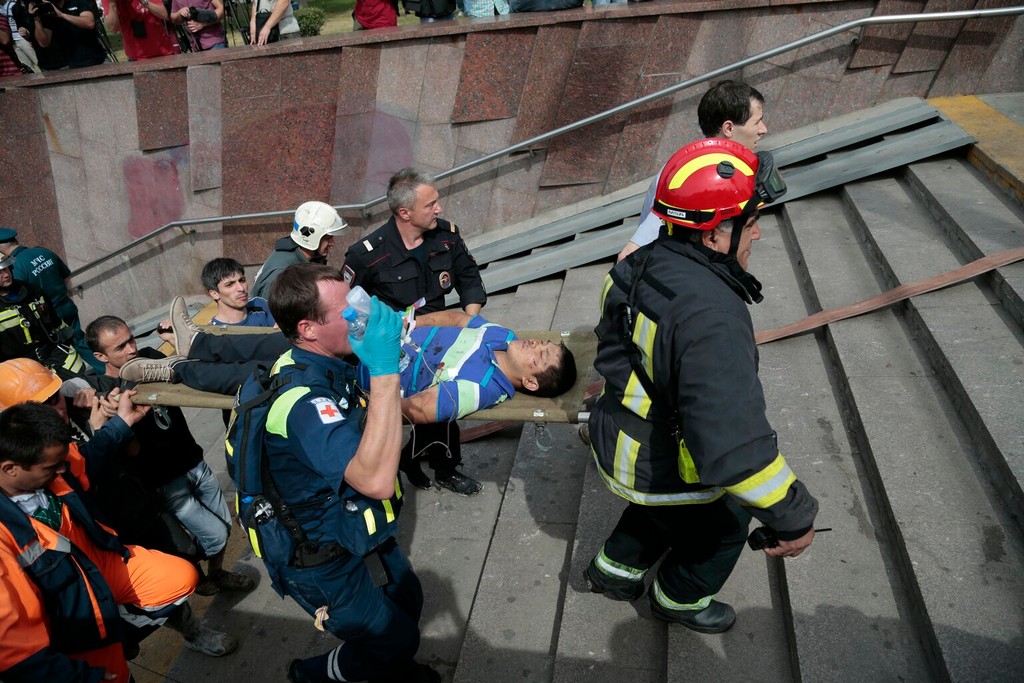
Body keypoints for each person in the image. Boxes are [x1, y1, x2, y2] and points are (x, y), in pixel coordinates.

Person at [584, 138, 817, 634]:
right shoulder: (712, 317)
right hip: (657, 459)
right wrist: (793, 516)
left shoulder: (634, 265)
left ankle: (612, 572)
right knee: (726, 522)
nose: (758, 233)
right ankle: (679, 599)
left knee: (662, 512)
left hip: (620, 435)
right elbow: (733, 445)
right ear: (713, 235)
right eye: (751, 222)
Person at [225, 263, 438, 683]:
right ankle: (312, 674)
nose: (360, 314)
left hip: (351, 527)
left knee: (407, 598)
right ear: (307, 329)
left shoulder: (319, 362)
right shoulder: (304, 403)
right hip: (320, 559)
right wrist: (384, 370)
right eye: (347, 310)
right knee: (392, 639)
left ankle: (388, 665)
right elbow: (375, 481)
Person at [0, 357, 240, 658]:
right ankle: (153, 631)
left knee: (180, 571)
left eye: (55, 397)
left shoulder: (85, 402)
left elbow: (93, 455)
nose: (55, 410)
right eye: (40, 405)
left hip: (131, 519)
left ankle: (178, 624)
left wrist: (117, 420)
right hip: (94, 559)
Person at [0, 400, 198, 682]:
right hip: (69, 611)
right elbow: (16, 648)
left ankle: (120, 623)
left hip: (98, 561)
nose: (62, 470)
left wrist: (121, 422)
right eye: (52, 467)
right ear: (11, 469)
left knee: (181, 578)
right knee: (113, 675)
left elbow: (89, 456)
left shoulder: (50, 463)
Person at [119, 302, 578, 418]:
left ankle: (176, 370)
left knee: (262, 375)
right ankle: (197, 342)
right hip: (365, 341)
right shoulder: (503, 336)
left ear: (530, 384)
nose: (536, 345)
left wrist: (372, 399)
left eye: (541, 357)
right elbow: (459, 317)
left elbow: (419, 410)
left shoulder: (482, 388)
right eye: (545, 344)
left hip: (351, 375)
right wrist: (407, 323)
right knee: (277, 342)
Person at [84, 316, 256, 598]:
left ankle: (216, 573)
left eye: (131, 340)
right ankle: (191, 573)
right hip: (164, 482)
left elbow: (190, 368)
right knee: (214, 535)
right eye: (120, 347)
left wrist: (175, 339)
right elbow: (128, 449)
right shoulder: (104, 390)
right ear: (100, 356)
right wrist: (113, 415)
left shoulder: (150, 358)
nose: (131, 350)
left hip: (193, 461)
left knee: (224, 527)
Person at [344, 168, 487, 496]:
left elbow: (468, 276)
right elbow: (348, 304)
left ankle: (443, 468)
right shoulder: (366, 254)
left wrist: (469, 321)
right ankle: (408, 461)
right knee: (412, 410)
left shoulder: (446, 236)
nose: (439, 208)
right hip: (396, 348)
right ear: (404, 212)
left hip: (441, 339)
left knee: (445, 405)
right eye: (430, 204)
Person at [617, 80, 769, 262]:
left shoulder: (707, 167)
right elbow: (629, 255)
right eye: (757, 122)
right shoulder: (686, 177)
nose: (763, 129)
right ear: (728, 128)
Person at [0, 227, 101, 373]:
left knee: (65, 349)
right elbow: (66, 276)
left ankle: (100, 375)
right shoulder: (43, 252)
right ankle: (105, 370)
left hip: (46, 316)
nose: (5, 273)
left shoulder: (17, 266)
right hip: (65, 305)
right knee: (81, 341)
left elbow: (19, 298)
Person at [0, 250, 86, 377]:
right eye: (0, 272)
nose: (6, 275)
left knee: (82, 385)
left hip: (57, 357)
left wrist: (65, 343)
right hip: (23, 372)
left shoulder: (31, 290)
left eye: (6, 269)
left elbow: (55, 322)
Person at [251, 201, 348, 300]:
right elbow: (270, 307)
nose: (332, 243)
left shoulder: (307, 257)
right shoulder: (280, 274)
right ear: (311, 237)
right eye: (327, 238)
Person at [22, 0, 106, 69]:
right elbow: (44, 42)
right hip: (72, 65)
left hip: (97, 60)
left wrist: (62, 15)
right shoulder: (49, 10)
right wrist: (37, 19)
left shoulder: (78, 2)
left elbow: (89, 23)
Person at [202, 257, 276, 327]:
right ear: (214, 294)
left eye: (242, 280)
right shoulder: (213, 331)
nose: (241, 288)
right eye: (229, 285)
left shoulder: (260, 306)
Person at [100, 0, 179, 61]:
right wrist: (112, 3)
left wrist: (143, 1)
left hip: (163, 52)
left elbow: (164, 14)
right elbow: (113, 28)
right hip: (135, 57)